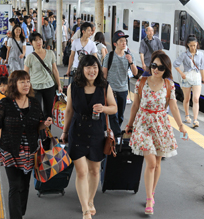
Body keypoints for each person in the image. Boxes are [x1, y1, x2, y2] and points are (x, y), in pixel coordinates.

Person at [125, 50, 188, 215]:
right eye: (154, 65)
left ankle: (152, 193)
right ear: (150, 64)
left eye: (160, 67)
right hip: (144, 123)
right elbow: (135, 105)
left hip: (161, 125)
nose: (156, 69)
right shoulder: (142, 81)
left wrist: (181, 125)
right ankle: (148, 199)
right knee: (151, 163)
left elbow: (173, 106)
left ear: (165, 69)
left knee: (158, 163)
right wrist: (130, 124)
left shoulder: (169, 85)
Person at [0, 70, 52, 219]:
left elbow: (38, 125)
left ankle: (20, 211)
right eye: (22, 82)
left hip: (30, 151)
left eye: (27, 81)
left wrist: (45, 124)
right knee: (15, 186)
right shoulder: (4, 104)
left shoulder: (34, 103)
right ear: (14, 84)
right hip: (10, 150)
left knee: (25, 185)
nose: (26, 84)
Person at [61, 55, 117, 219]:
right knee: (82, 171)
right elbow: (69, 110)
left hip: (96, 133)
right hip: (77, 131)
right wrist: (64, 132)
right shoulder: (73, 87)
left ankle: (90, 200)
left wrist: (104, 109)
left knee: (94, 171)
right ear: (82, 69)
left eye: (94, 67)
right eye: (88, 67)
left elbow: (114, 108)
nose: (92, 71)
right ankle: (85, 209)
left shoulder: (104, 86)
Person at [102, 30, 138, 138]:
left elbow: (135, 73)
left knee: (120, 115)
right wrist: (103, 89)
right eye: (121, 41)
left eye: (125, 41)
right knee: (113, 114)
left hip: (123, 89)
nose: (124, 43)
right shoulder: (109, 56)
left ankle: (114, 133)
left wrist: (131, 62)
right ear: (115, 44)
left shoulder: (129, 56)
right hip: (111, 89)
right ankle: (117, 136)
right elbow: (104, 74)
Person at [24, 32, 62, 118]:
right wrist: (25, 87)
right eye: (35, 40)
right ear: (31, 43)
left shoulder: (50, 53)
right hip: (35, 87)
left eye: (39, 39)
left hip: (49, 86)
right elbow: (25, 74)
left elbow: (55, 70)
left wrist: (59, 85)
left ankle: (47, 131)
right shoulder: (30, 57)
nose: (38, 42)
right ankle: (38, 131)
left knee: (48, 112)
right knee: (36, 111)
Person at [173, 34, 204, 127]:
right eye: (191, 46)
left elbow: (202, 67)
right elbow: (175, 64)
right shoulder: (184, 55)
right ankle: (187, 116)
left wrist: (203, 78)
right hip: (186, 78)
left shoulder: (201, 54)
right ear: (188, 45)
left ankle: (195, 120)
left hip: (197, 78)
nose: (193, 47)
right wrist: (181, 73)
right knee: (187, 99)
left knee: (196, 99)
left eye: (194, 45)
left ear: (197, 44)